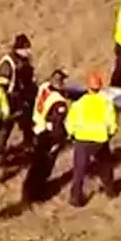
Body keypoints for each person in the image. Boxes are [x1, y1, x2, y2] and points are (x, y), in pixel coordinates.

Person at [65, 71, 118, 207]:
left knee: (79, 170)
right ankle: (110, 191)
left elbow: (70, 123)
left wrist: (72, 135)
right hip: (100, 139)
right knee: (105, 167)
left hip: (82, 140)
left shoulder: (79, 104)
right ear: (100, 87)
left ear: (87, 87)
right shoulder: (106, 103)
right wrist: (109, 134)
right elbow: (112, 124)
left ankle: (76, 198)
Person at [22, 69, 70, 203]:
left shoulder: (44, 87)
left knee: (36, 164)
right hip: (49, 136)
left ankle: (28, 190)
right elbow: (57, 124)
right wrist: (59, 140)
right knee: (44, 166)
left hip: (37, 128)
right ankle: (37, 194)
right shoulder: (59, 102)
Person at [0, 33, 37, 160]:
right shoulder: (8, 62)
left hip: (23, 100)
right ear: (19, 49)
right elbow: (1, 84)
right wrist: (4, 102)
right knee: (5, 127)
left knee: (28, 124)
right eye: (27, 49)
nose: (29, 51)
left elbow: (29, 81)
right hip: (9, 100)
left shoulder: (25, 62)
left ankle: (29, 146)